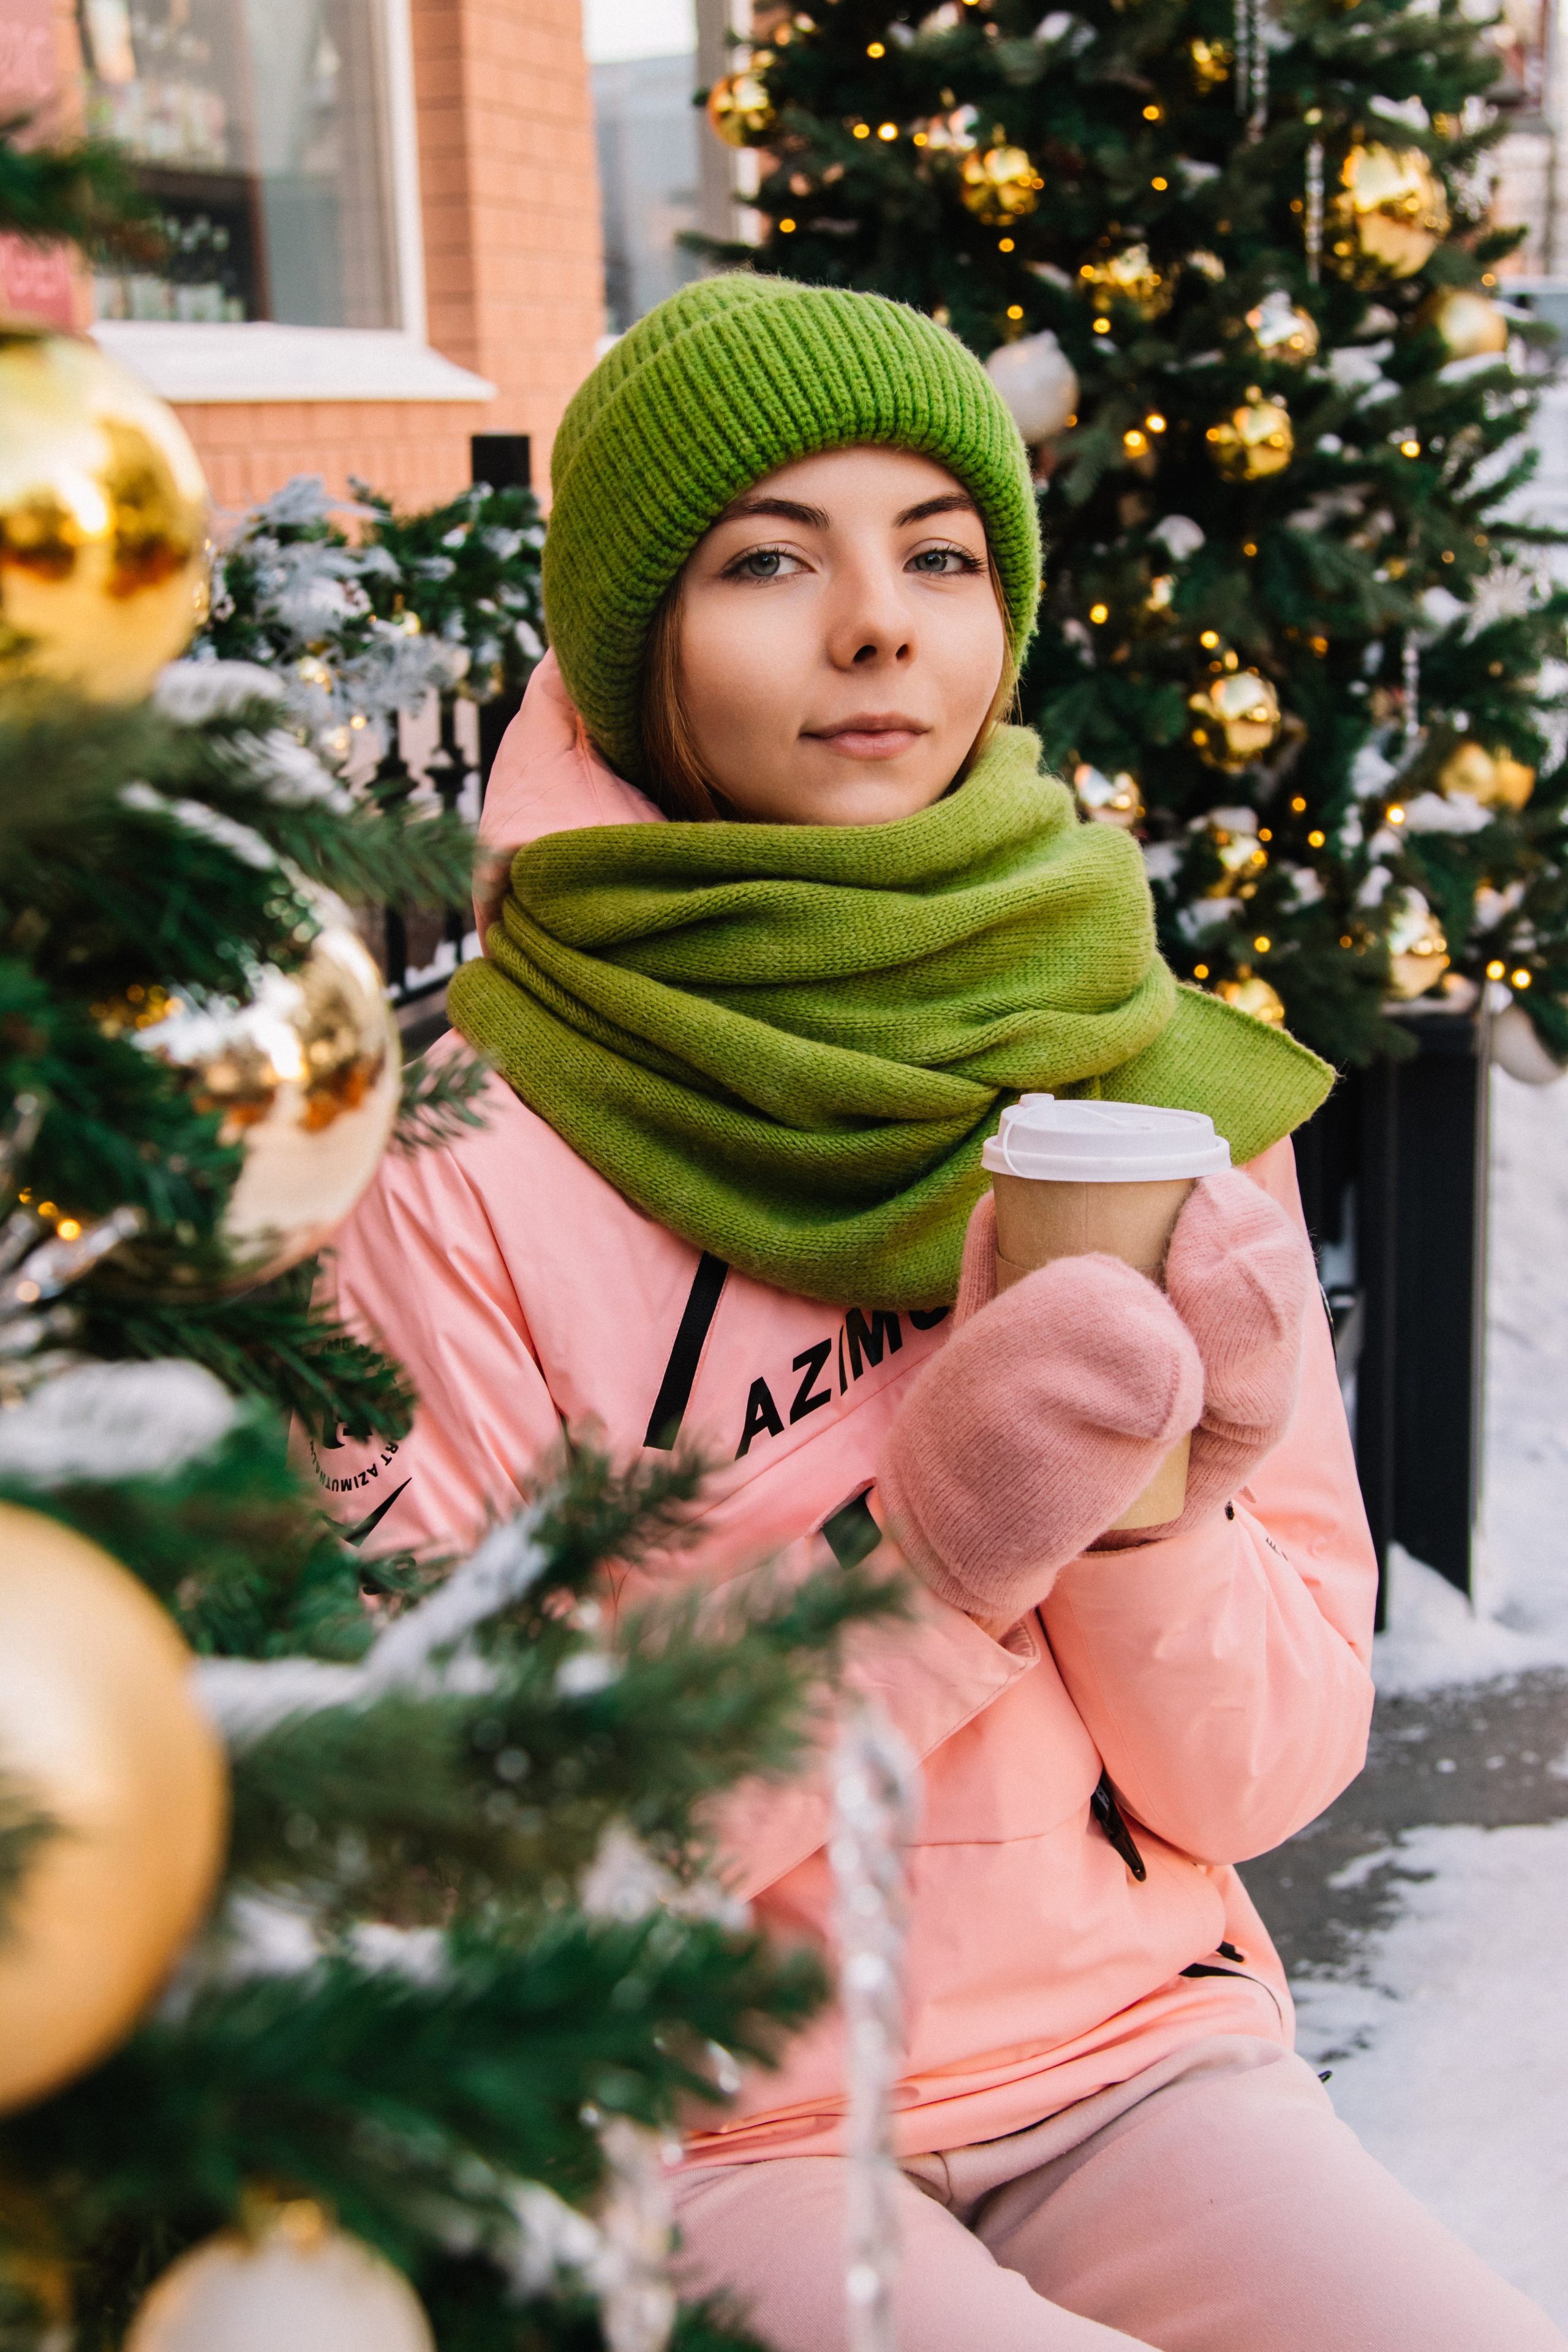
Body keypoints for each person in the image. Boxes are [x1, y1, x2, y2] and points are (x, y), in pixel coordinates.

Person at [315, 276, 1563, 2350]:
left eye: (944, 553)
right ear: (636, 640)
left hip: (1141, 2060)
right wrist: (926, 1558)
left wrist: (1173, 1515)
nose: (878, 624)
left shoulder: (1144, 1078)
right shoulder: (459, 1159)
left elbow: (1257, 1786)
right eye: (770, 559)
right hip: (690, 2119)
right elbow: (473, 1866)